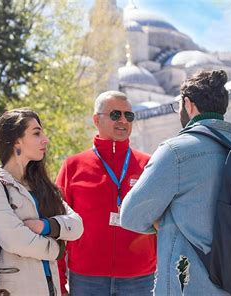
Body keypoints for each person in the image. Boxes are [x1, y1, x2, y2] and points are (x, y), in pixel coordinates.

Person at [120, 70, 231, 295]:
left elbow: (131, 215)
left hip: (188, 286)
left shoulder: (176, 152)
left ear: (188, 104)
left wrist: (165, 219)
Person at [56, 91, 157, 295]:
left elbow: (162, 221)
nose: (123, 121)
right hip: (86, 279)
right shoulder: (72, 166)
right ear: (96, 120)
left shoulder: (149, 164)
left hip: (140, 279)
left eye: (129, 116)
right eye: (115, 115)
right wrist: (60, 281)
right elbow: (59, 225)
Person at [0, 108, 84, 296]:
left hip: (52, 288)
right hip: (17, 290)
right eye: (37, 133)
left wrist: (45, 226)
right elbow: (15, 241)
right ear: (16, 141)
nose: (45, 139)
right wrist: (57, 249)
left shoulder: (43, 186)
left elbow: (77, 226)